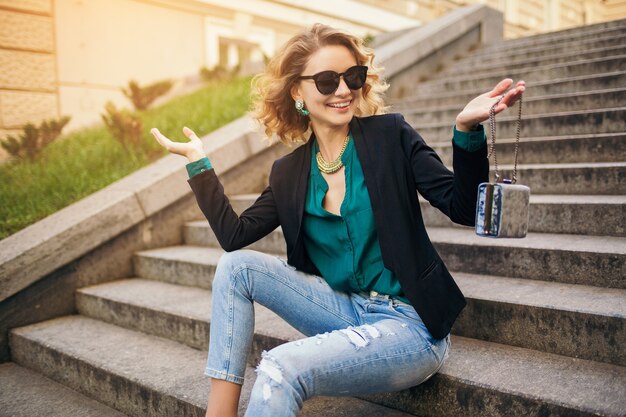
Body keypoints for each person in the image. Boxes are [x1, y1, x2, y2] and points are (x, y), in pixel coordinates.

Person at [151, 22, 525, 417]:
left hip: (410, 326)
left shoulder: (389, 137)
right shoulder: (289, 173)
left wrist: (466, 129)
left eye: (353, 77)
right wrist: (199, 164)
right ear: (298, 91)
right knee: (235, 267)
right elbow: (234, 235)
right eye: (327, 81)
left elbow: (463, 207)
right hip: (343, 311)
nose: (344, 90)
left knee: (280, 366)